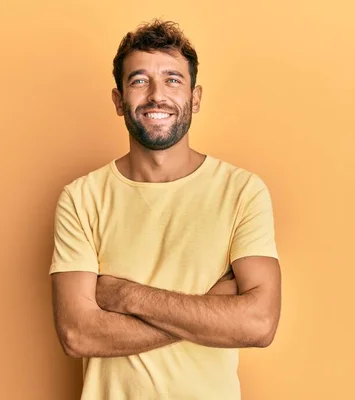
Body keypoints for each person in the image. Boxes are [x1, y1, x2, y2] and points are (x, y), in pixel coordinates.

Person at [49, 19, 282, 400]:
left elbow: (258, 324)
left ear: (196, 97)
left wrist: (127, 297)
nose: (157, 95)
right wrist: (213, 310)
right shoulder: (81, 197)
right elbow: (78, 334)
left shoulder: (241, 191)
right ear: (118, 100)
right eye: (139, 80)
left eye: (173, 80)